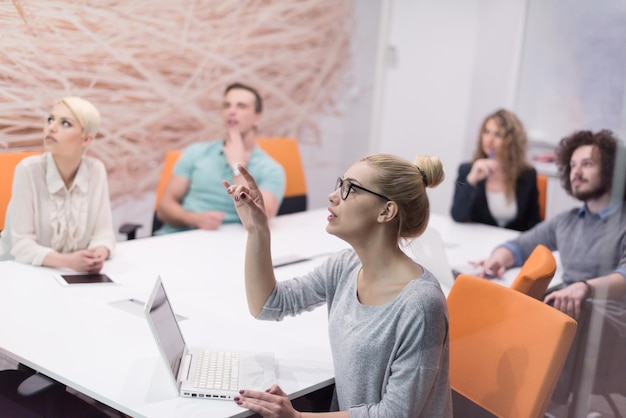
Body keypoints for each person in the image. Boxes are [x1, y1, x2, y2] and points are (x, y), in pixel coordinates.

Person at [224, 154, 452, 417]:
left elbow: (395, 414)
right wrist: (258, 231)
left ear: (386, 211)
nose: (333, 196)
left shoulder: (421, 305)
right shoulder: (346, 266)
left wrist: (298, 417)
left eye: (350, 189)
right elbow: (269, 304)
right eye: (340, 184)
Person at [478, 129, 626, 318]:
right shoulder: (566, 221)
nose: (576, 173)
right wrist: (499, 258)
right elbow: (520, 246)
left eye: (587, 164)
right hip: (567, 313)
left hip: (610, 323)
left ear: (611, 170)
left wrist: (585, 288)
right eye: (572, 166)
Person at [0, 97, 115, 273]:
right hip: (18, 272)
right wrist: (69, 262)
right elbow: (21, 245)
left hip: (67, 276)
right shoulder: (28, 170)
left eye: (66, 123)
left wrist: (98, 254)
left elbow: (104, 233)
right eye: (51, 119)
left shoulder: (96, 170)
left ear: (86, 140)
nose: (51, 127)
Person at [155, 82, 286, 235]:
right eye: (227, 105)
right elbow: (163, 209)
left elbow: (261, 218)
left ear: (257, 117)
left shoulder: (271, 169)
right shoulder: (196, 152)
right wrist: (194, 219)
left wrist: (238, 166)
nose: (231, 111)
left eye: (241, 106)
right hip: (177, 237)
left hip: (228, 243)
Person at [451, 108, 541, 231]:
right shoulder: (467, 170)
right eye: (486, 132)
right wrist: (472, 180)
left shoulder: (527, 175)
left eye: (498, 134)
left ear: (512, 141)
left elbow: (534, 224)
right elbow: (457, 216)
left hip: (511, 246)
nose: (489, 140)